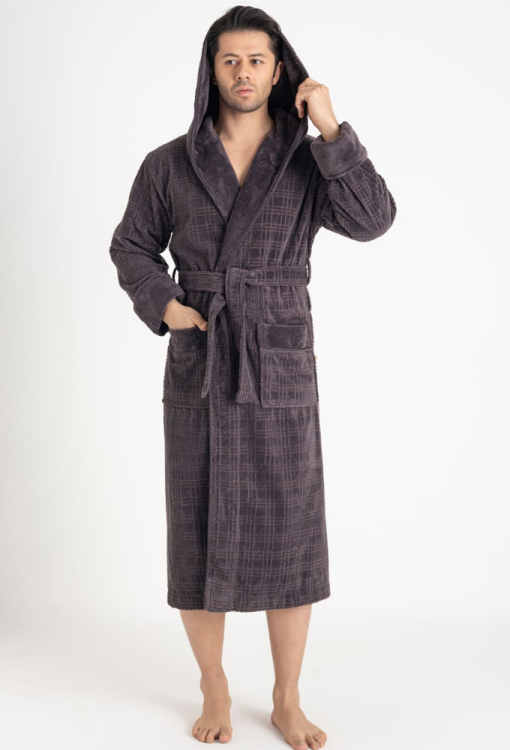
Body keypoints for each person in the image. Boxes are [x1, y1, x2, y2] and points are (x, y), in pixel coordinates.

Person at [109, 5, 396, 748]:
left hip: (278, 356)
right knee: (196, 525)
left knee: (289, 529)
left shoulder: (307, 157)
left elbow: (373, 220)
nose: (243, 73)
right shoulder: (169, 163)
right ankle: (214, 684)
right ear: (211, 70)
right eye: (229, 59)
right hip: (203, 356)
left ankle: (287, 697)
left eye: (257, 60)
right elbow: (131, 245)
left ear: (279, 70)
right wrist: (166, 304)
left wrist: (333, 131)